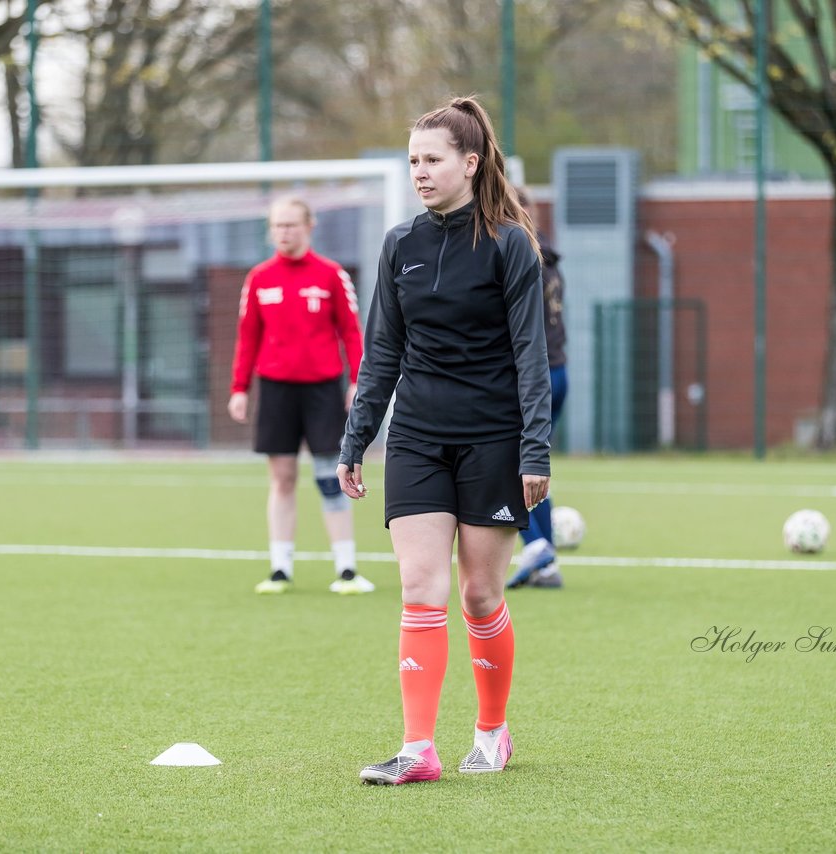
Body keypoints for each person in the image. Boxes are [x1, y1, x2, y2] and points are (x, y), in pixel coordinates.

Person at [337, 96, 551, 785]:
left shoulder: (510, 244)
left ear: (470, 161)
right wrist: (356, 437)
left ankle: (493, 730)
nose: (419, 173)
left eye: (430, 160)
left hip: (492, 437)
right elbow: (382, 351)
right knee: (419, 585)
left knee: (481, 594)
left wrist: (534, 451)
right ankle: (418, 748)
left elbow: (531, 355)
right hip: (418, 437)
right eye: (411, 162)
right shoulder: (400, 244)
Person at [229, 196, 374, 596]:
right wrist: (239, 388)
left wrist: (358, 381)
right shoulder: (258, 278)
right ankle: (280, 568)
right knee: (282, 478)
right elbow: (247, 337)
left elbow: (351, 330)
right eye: (277, 226)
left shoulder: (331, 275)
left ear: (309, 227)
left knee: (332, 477)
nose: (284, 233)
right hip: (275, 390)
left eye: (291, 225)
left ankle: (346, 569)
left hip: (323, 389)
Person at [506, 186, 569, 590]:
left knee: (507, 464)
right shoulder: (549, 254)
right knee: (534, 465)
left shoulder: (519, 256)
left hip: (534, 377)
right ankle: (546, 564)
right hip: (560, 373)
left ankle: (536, 546)